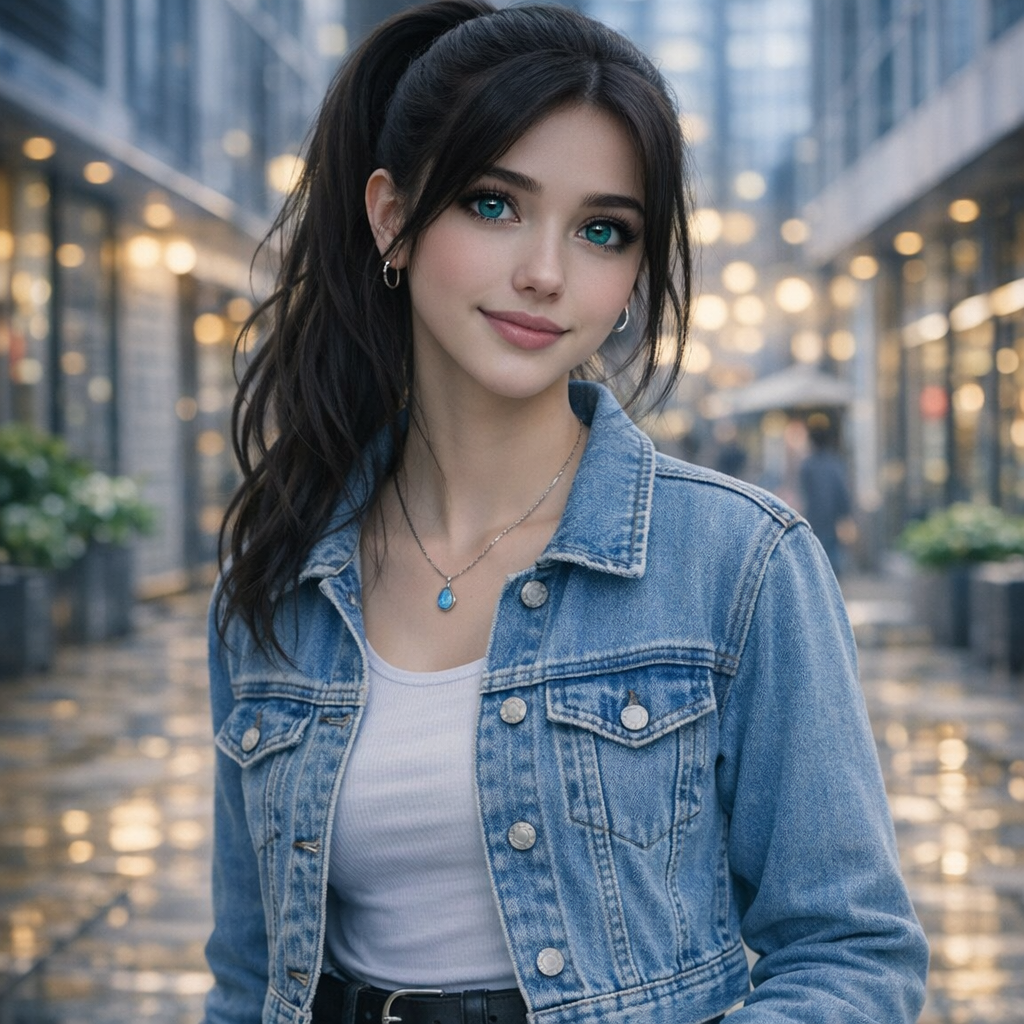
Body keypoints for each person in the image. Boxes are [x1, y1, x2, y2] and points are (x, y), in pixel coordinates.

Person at [204, 4, 928, 1023]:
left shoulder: (738, 561)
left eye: (601, 230)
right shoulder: (279, 574)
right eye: (493, 204)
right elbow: (248, 978)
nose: (545, 272)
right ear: (391, 217)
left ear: (632, 274)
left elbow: (851, 953)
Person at [799, 413, 855, 575]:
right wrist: (846, 514)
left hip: (814, 519)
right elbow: (842, 491)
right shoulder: (835, 463)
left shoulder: (807, 465)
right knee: (833, 561)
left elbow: (804, 493)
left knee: (816, 561)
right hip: (832, 518)